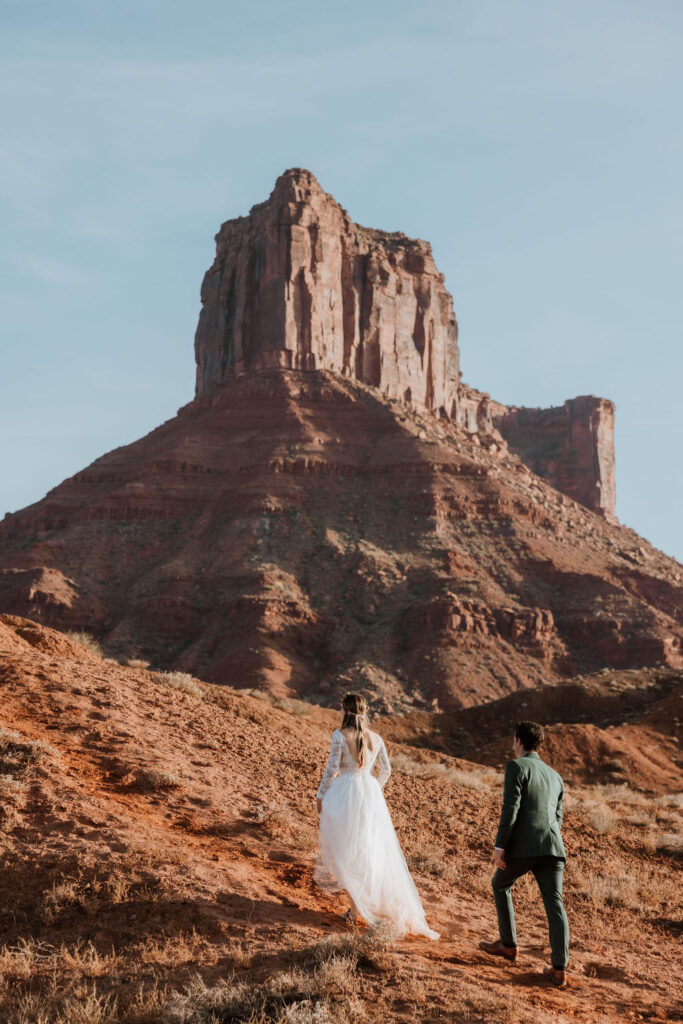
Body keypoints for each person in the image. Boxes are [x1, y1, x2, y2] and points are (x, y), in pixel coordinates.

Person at [314, 692, 439, 939]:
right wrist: (372, 789)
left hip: (345, 794)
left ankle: (355, 910)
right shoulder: (377, 738)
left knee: (347, 851)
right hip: (369, 796)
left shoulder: (339, 736)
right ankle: (357, 908)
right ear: (366, 710)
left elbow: (330, 770)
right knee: (368, 850)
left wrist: (320, 797)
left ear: (344, 710)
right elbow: (387, 770)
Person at [479, 720, 570, 988]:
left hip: (524, 847)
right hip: (553, 847)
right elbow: (557, 817)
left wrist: (500, 847)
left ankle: (508, 946)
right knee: (555, 904)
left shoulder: (516, 766)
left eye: (512, 739)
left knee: (500, 884)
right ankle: (559, 968)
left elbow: (511, 809)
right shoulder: (555, 775)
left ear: (518, 740)